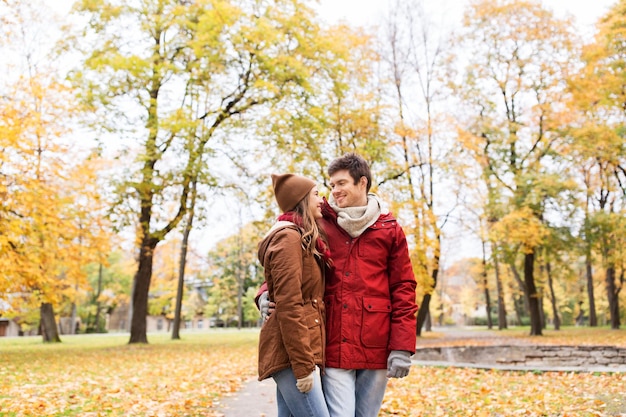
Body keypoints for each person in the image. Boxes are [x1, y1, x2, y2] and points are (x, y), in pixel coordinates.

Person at [258, 153, 418, 417]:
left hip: (377, 342)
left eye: (341, 183)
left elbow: (404, 287)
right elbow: (286, 264)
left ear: (362, 182)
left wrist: (402, 346)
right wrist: (265, 292)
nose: (334, 191)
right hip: (333, 342)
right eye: (331, 185)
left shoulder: (389, 229)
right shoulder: (320, 222)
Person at [257, 173, 332, 417]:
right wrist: (303, 367)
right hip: (291, 354)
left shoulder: (303, 238)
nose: (321, 199)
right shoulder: (288, 238)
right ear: (301, 200)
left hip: (300, 350)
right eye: (315, 194)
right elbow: (289, 305)